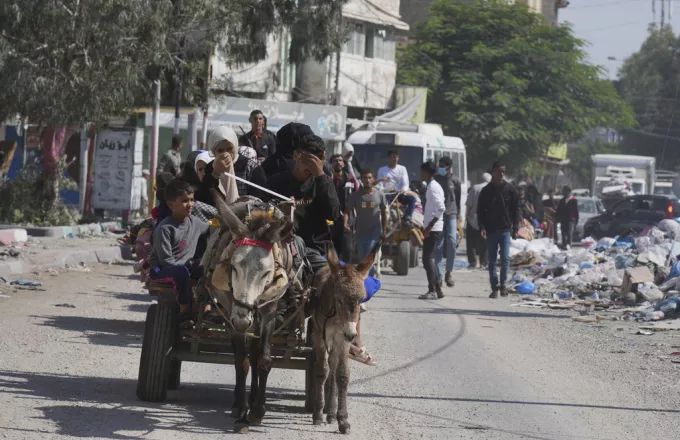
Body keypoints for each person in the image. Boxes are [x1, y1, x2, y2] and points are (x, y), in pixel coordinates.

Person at [149, 180, 210, 327]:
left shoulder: (194, 222)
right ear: (171, 204)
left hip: (185, 268)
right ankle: (184, 310)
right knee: (181, 272)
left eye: (192, 200)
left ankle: (207, 310)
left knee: (208, 271)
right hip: (163, 270)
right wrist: (188, 273)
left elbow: (211, 228)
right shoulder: (165, 228)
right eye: (184, 201)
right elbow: (166, 260)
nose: (190, 204)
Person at [477, 162, 519, 298]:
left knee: (505, 258)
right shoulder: (486, 191)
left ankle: (503, 285)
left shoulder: (510, 190)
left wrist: (516, 227)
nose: (502, 174)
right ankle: (494, 287)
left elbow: (515, 210)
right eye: (499, 171)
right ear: (493, 172)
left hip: (505, 229)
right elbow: (480, 211)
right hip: (491, 230)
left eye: (503, 171)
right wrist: (482, 227)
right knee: (492, 260)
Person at [196, 126, 268, 203]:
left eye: (229, 149)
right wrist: (215, 174)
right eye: (220, 150)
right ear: (214, 152)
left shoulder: (251, 168)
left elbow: (260, 199)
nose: (226, 154)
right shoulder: (211, 167)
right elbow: (203, 196)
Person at [345, 169, 387, 267]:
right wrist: (345, 222)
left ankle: (369, 280)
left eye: (369, 177)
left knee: (368, 259)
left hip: (375, 233)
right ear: (361, 180)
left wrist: (384, 231)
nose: (367, 180)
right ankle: (366, 280)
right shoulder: (355, 195)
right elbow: (347, 211)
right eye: (365, 178)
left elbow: (384, 213)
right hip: (360, 233)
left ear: (373, 179)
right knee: (362, 258)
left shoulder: (380, 195)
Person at [418, 161, 446, 300]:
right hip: (434, 227)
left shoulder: (433, 187)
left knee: (427, 259)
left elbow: (441, 208)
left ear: (426, 172)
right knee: (430, 259)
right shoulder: (432, 186)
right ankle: (438, 288)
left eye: (422, 171)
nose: (420, 174)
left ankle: (432, 289)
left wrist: (429, 227)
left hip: (433, 228)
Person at [434, 156, 461, 288]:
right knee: (438, 245)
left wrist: (459, 219)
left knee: (452, 242)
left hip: (452, 214)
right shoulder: (436, 179)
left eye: (442, 166)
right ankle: (439, 274)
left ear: (449, 168)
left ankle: (448, 272)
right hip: (439, 215)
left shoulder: (455, 181)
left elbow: (458, 200)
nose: (440, 168)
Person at [330, 154, 358, 262]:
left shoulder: (350, 179)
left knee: (347, 248)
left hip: (348, 218)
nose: (338, 162)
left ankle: (346, 274)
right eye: (335, 160)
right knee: (331, 245)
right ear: (331, 164)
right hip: (330, 219)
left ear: (343, 163)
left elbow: (357, 196)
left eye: (340, 160)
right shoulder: (327, 179)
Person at [377, 150, 416, 223]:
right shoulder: (382, 170)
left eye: (397, 157)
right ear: (388, 158)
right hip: (387, 195)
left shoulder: (402, 169)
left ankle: (408, 217)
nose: (396, 159)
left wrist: (402, 190)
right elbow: (380, 185)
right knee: (385, 208)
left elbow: (405, 183)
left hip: (399, 194)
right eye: (393, 157)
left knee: (412, 199)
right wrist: (386, 191)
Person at [466, 173, 490, 268]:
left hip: (473, 219)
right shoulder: (492, 189)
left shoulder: (475, 188)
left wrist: (467, 217)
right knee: (485, 242)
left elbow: (469, 204)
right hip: (487, 220)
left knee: (471, 242)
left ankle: (473, 262)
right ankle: (483, 262)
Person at [556, 186, 579, 250]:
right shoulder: (562, 201)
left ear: (568, 192)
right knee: (563, 232)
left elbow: (576, 212)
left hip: (570, 220)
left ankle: (569, 245)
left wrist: (576, 221)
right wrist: (557, 218)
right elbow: (558, 210)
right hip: (563, 219)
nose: (564, 193)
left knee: (569, 233)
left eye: (565, 192)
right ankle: (564, 245)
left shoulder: (573, 200)